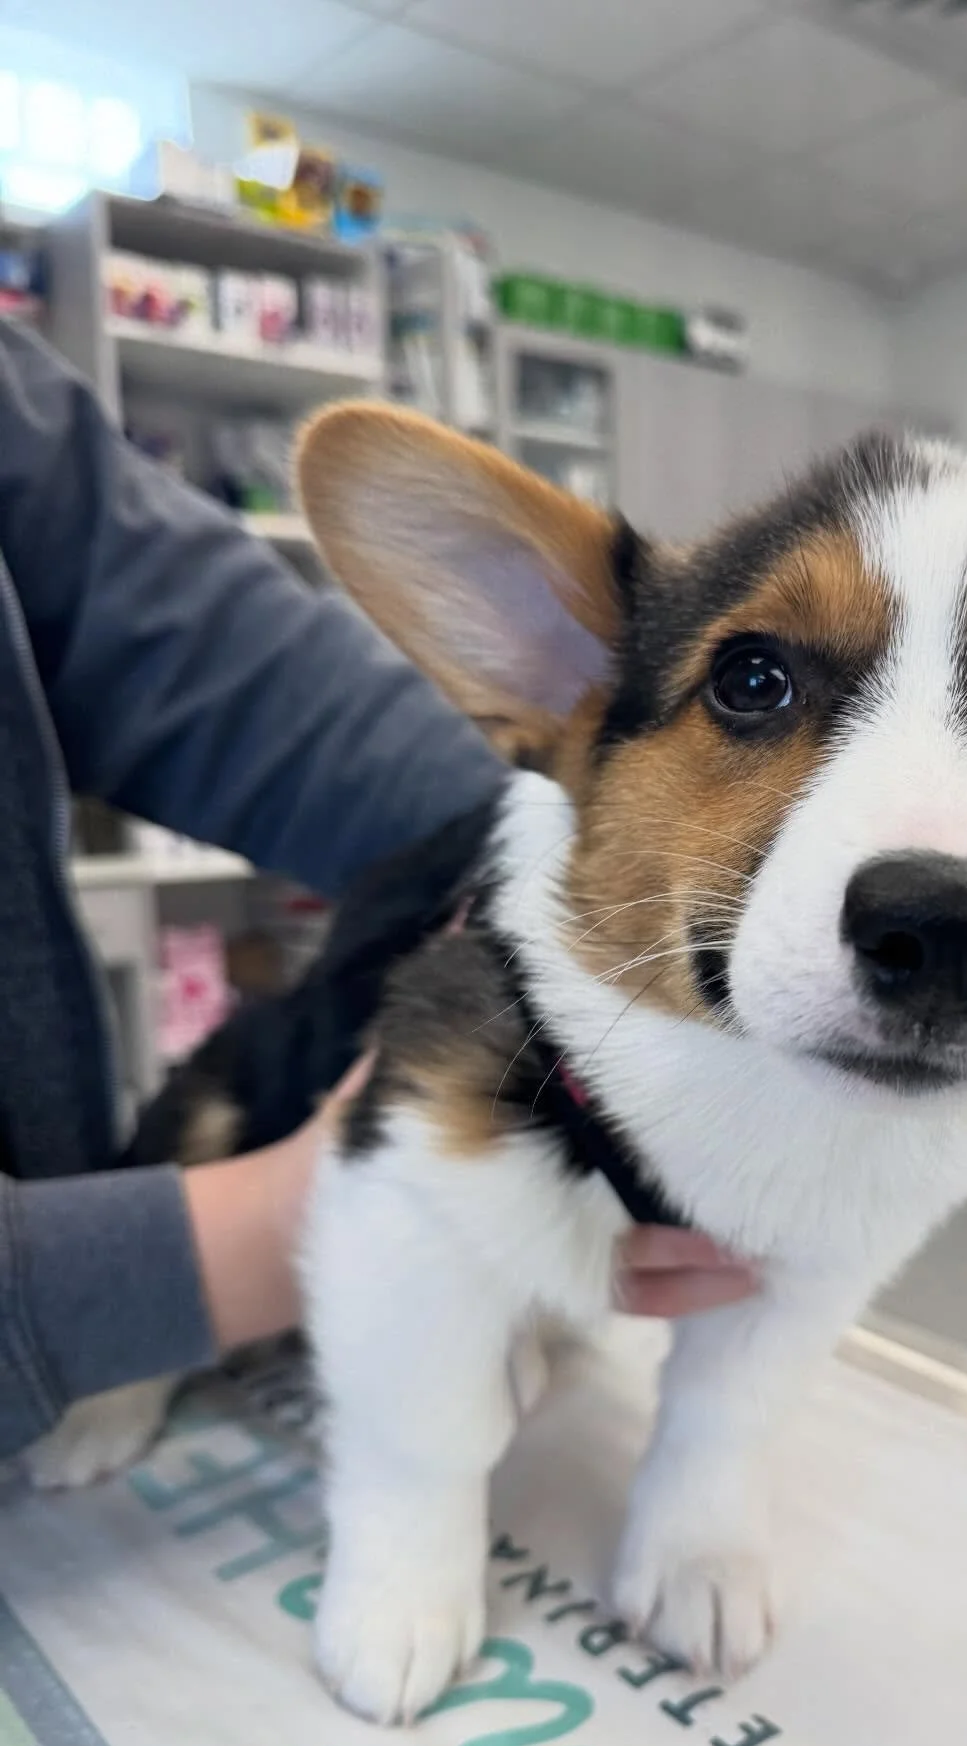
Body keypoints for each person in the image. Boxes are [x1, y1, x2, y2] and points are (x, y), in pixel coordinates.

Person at [0, 320, 754, 1461]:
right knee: (223, 1099)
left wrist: (545, 843)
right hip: (246, 1200)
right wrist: (311, 1217)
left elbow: (221, 660)